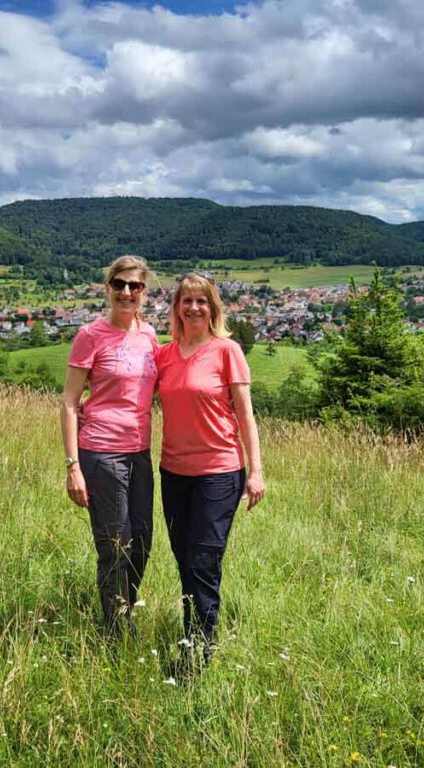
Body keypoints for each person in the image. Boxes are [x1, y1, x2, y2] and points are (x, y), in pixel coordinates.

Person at [155, 272, 265, 666]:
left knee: (204, 557)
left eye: (202, 301)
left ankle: (200, 649)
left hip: (219, 471)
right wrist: (88, 407)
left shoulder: (226, 351)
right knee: (183, 555)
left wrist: (256, 470)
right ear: (177, 308)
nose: (194, 307)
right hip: (173, 471)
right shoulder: (164, 355)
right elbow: (130, 392)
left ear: (213, 307)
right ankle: (193, 628)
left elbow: (246, 415)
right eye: (187, 300)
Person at [61, 255, 158, 637]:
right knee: (116, 544)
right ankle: (116, 630)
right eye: (119, 284)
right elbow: (70, 401)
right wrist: (72, 466)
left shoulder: (149, 336)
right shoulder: (90, 335)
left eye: (134, 286)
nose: (126, 292)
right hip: (101, 452)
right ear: (108, 288)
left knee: (143, 542)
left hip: (140, 452)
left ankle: (124, 610)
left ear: (144, 292)